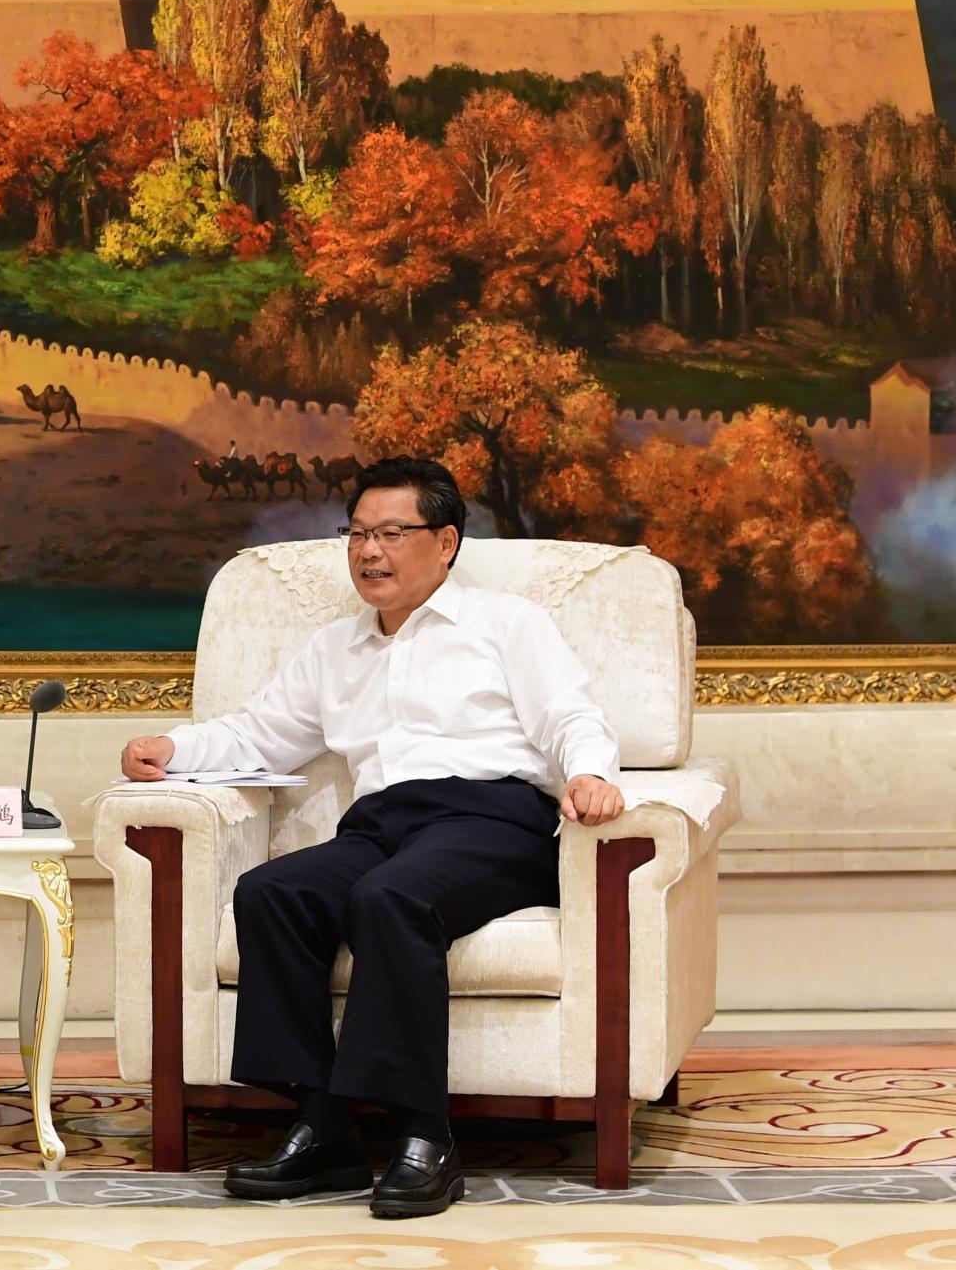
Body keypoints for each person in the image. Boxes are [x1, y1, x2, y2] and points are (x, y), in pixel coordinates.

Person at [119, 455, 624, 1217]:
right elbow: (261, 732)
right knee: (273, 892)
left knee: (390, 897)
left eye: (391, 532)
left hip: (491, 820)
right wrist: (174, 748)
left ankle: (426, 1135)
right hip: (384, 823)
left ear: (446, 542)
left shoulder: (505, 624)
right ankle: (324, 1125)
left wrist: (589, 774)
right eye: (357, 534)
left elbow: (570, 715)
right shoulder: (336, 648)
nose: (369, 551)